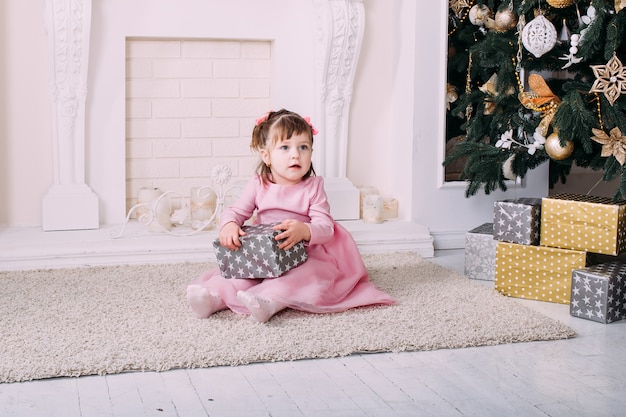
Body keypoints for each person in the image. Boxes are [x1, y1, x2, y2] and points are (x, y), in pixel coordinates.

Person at [186, 109, 396, 323]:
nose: (295, 154)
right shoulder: (259, 184)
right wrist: (229, 225)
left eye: (303, 147)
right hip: (265, 251)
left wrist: (305, 230)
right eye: (285, 147)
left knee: (305, 276)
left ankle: (269, 301)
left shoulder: (312, 187)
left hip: (305, 253)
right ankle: (212, 298)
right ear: (266, 155)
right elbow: (236, 211)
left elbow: (325, 226)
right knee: (242, 275)